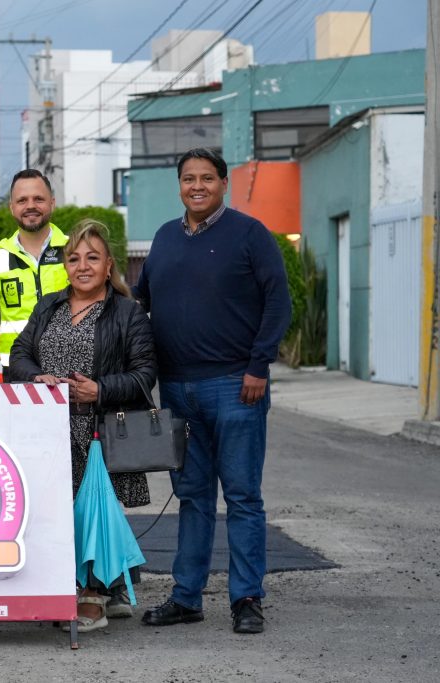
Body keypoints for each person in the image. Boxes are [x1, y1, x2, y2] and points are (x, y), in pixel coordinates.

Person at [134, 148, 291, 635]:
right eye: (188, 178)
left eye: (206, 178)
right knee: (193, 497)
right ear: (178, 185)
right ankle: (186, 597)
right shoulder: (163, 238)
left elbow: (277, 302)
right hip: (178, 389)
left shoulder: (249, 234)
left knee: (242, 497)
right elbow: (140, 307)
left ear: (224, 183)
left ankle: (247, 598)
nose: (196, 186)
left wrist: (258, 365)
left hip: (235, 385)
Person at [8, 219, 155, 632]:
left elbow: (145, 375)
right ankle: (103, 587)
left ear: (109, 266)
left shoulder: (127, 313)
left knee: (94, 512)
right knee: (58, 514)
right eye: (74, 258)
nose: (83, 266)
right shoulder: (48, 306)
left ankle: (93, 595)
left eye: (93, 258)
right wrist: (36, 376)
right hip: (48, 434)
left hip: (99, 432)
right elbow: (17, 356)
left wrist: (101, 389)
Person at [0, 169, 69, 379]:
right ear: (12, 208)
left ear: (52, 203)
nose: (30, 206)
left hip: (71, 372)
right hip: (17, 375)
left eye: (38, 199)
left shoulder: (74, 251)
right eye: (22, 200)